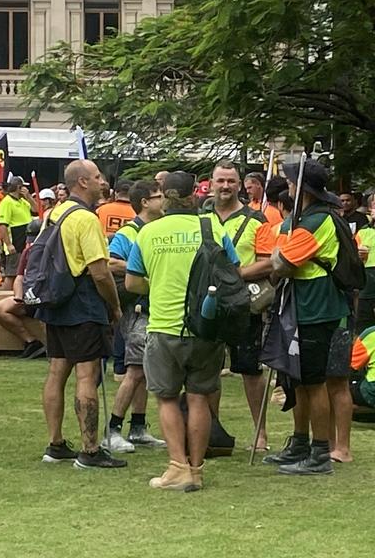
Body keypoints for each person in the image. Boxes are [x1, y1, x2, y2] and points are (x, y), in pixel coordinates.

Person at [126, 171, 240, 491]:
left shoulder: (148, 232)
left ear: (163, 194)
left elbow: (132, 282)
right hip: (205, 325)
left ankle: (177, 467)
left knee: (166, 398)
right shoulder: (213, 227)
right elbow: (234, 271)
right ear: (195, 194)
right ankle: (197, 469)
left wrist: (158, 283)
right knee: (200, 397)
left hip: (164, 326)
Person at [264, 160, 350, 475]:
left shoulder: (318, 221)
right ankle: (300, 443)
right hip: (300, 307)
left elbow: (283, 262)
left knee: (315, 382)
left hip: (318, 309)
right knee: (297, 380)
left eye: (290, 181)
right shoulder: (303, 220)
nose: (287, 186)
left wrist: (250, 269)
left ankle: (319, 454)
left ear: (302, 188)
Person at [37, 159, 124, 470]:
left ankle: (55, 443)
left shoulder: (54, 212)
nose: (103, 182)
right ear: (83, 182)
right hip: (82, 302)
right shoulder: (86, 219)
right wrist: (114, 306)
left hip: (55, 299)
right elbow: (99, 272)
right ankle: (89, 450)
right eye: (98, 176)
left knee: (56, 372)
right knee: (87, 376)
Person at [203, 160, 274, 452]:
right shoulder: (200, 218)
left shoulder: (257, 219)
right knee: (207, 368)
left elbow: (269, 260)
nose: (225, 187)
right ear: (211, 182)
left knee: (250, 369)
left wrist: (236, 275)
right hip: (208, 302)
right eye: (220, 181)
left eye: (231, 181)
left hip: (244, 303)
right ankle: (210, 430)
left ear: (240, 184)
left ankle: (260, 433)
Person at [105, 180, 166, 453]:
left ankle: (138, 427)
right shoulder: (129, 232)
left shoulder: (156, 229)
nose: (163, 200)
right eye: (159, 196)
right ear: (145, 202)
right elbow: (110, 261)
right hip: (137, 310)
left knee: (142, 371)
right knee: (136, 370)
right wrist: (145, 270)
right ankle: (113, 429)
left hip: (151, 308)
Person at [0, 220, 47, 359]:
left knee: (47, 311)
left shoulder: (54, 252)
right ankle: (32, 342)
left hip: (47, 298)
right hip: (29, 297)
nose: (32, 244)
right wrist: (19, 296)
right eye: (30, 240)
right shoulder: (27, 252)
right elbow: (19, 277)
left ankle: (55, 351)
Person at [0, 176, 37, 290]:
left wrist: (29, 197)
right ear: (19, 187)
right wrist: (9, 244)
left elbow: (36, 209)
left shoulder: (22, 201)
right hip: (15, 242)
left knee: (19, 273)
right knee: (11, 274)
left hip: (24, 241)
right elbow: (2, 225)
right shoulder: (7, 202)